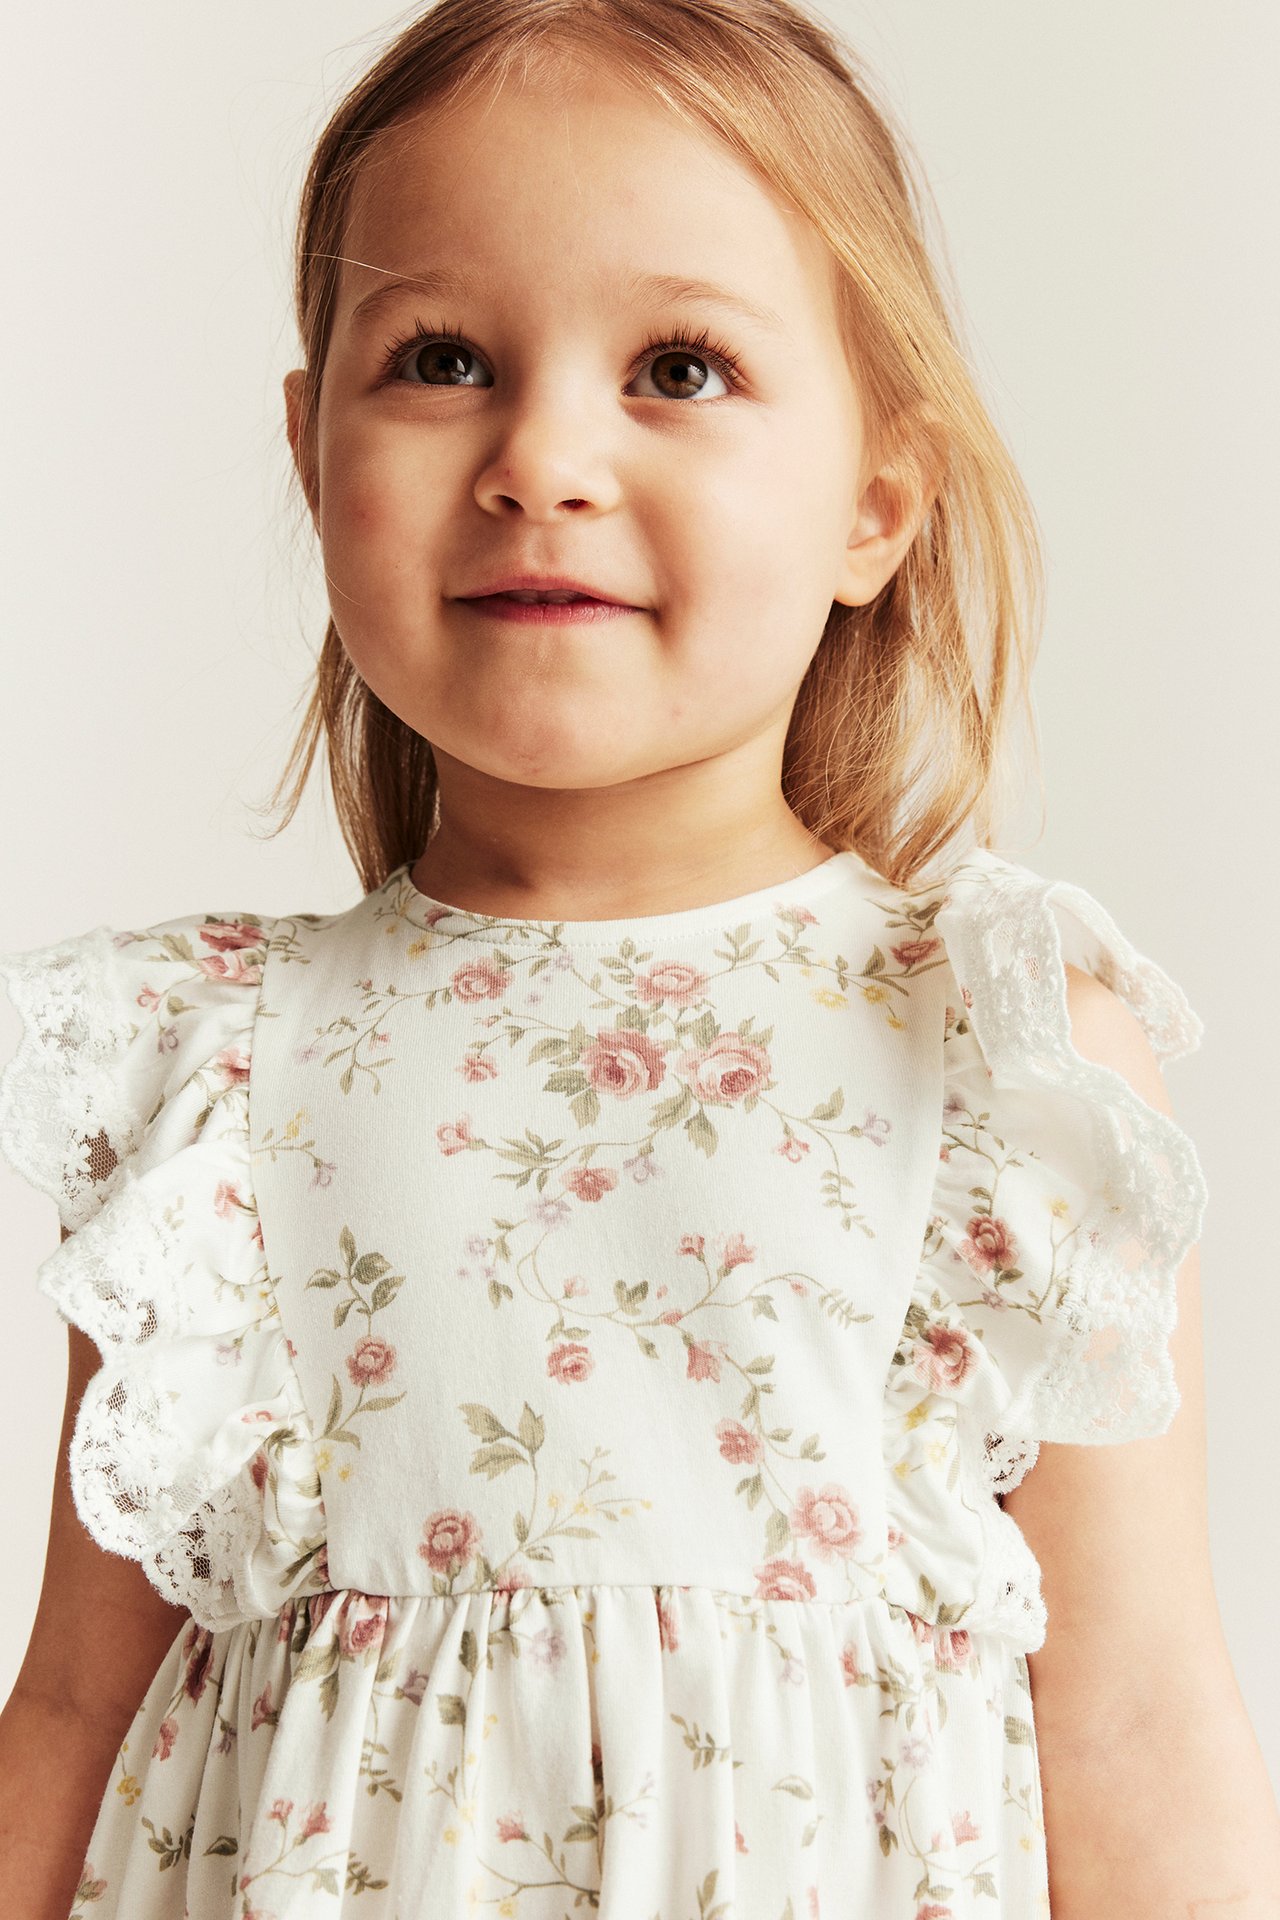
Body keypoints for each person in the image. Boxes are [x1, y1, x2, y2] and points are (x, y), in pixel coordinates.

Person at [2, 1, 1277, 1915]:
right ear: (308, 444)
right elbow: (80, 1704)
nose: (543, 458)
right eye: (442, 360)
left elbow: (1138, 1724)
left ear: (875, 501)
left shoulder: (1001, 1053)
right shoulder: (204, 1064)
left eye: (679, 365)